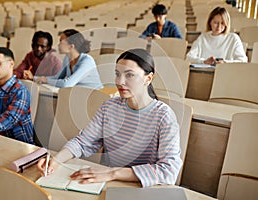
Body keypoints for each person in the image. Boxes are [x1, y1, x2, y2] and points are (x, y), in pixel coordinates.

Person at [37, 48, 182, 187]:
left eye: (129, 75)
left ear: (148, 78)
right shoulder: (109, 107)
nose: (120, 81)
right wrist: (55, 160)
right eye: (117, 74)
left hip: (142, 188)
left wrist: (113, 173)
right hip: (108, 182)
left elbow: (169, 171)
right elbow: (83, 142)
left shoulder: (164, 116)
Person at [35, 29, 103, 89]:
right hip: (81, 95)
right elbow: (57, 78)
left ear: (71, 46)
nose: (58, 45)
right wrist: (35, 78)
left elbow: (67, 84)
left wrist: (46, 80)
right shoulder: (67, 59)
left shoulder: (87, 61)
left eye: (61, 41)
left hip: (96, 96)